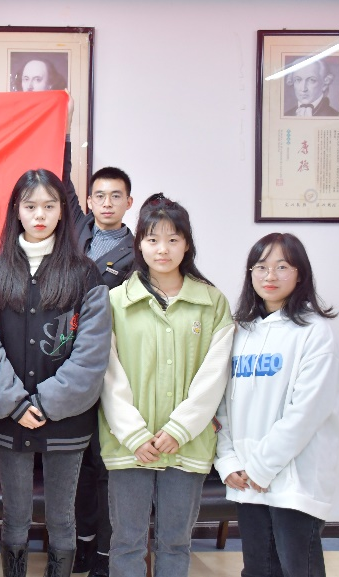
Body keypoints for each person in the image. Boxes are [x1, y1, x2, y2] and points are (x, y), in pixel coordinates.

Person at [0, 169, 111, 577]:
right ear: (16, 210)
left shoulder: (86, 274)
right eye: (30, 206)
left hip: (67, 420)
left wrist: (47, 403)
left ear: (62, 212)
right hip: (8, 417)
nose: (39, 215)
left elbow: (91, 355)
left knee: (62, 519)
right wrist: (15, 403)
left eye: (49, 206)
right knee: (14, 516)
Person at [98, 194, 234, 577]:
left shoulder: (212, 303)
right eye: (153, 239)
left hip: (187, 443)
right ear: (139, 244)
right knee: (127, 543)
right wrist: (133, 433)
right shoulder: (115, 302)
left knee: (175, 543)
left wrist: (179, 429)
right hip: (129, 445)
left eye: (173, 239)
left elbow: (215, 375)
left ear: (187, 244)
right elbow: (108, 374)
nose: (163, 249)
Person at [215, 233, 339, 577]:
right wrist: (228, 462)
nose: (270, 276)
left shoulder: (315, 332)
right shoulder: (241, 331)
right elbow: (222, 405)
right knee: (258, 570)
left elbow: (306, 414)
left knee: (299, 569)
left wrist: (262, 468)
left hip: (293, 480)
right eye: (261, 267)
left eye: (282, 267)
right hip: (247, 480)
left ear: (300, 274)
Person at [64, 165, 136, 576]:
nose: (107, 203)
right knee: (78, 465)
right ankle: (82, 544)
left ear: (129, 202)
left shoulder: (139, 251)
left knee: (106, 462)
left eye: (116, 196)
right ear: (89, 201)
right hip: (67, 366)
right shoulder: (76, 230)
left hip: (112, 368)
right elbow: (62, 181)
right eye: (100, 196)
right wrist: (61, 132)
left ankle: (105, 556)